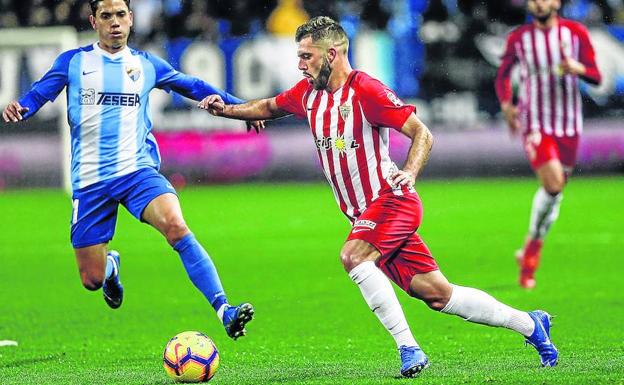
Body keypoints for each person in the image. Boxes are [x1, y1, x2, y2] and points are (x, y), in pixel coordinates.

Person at [198, 16, 559, 376]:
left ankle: (409, 348)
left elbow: (422, 134)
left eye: (307, 56)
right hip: (364, 216)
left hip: (392, 200)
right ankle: (531, 325)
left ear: (333, 54)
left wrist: (410, 172)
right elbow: (268, 107)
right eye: (299, 56)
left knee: (353, 257)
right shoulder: (308, 95)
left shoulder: (366, 90)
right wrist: (227, 109)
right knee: (438, 294)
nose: (300, 64)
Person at [2, 0, 256, 340]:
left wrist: (243, 107)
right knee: (91, 279)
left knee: (177, 227)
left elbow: (192, 85)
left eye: (121, 15)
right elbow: (39, 94)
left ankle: (225, 309)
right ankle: (110, 268)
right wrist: (22, 107)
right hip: (90, 181)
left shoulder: (145, 64)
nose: (115, 23)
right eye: (106, 16)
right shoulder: (74, 62)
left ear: (131, 19)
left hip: (137, 173)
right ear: (94, 21)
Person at [495, 0, 601, 289]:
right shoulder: (519, 38)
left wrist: (576, 67)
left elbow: (596, 75)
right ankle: (531, 255)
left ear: (556, 2)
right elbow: (503, 75)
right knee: (553, 184)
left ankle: (530, 249)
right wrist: (507, 103)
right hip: (536, 123)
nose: (538, 3)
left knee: (554, 193)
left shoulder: (575, 33)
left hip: (569, 125)